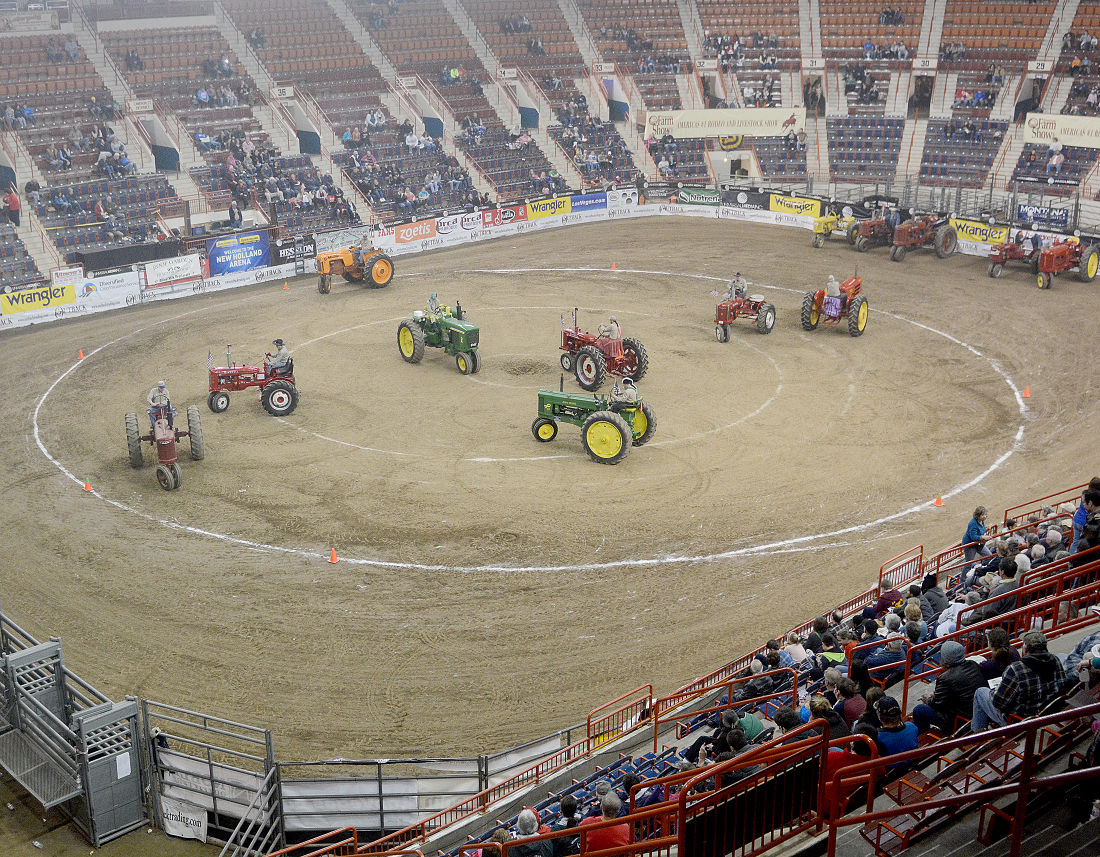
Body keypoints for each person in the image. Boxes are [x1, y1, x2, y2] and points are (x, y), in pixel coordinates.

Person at [971, 630, 1066, 731]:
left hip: (1018, 721)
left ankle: (977, 735)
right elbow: (1062, 686)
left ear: (1025, 648)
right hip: (1047, 711)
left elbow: (999, 703)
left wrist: (994, 691)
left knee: (980, 692)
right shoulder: (1056, 660)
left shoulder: (1016, 669)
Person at [911, 641, 988, 734]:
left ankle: (921, 738)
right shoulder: (973, 664)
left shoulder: (945, 678)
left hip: (958, 721)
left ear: (945, 659)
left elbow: (937, 704)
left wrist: (927, 699)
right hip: (978, 714)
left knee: (919, 710)